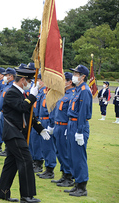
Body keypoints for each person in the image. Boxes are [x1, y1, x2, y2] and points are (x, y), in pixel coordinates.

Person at [0, 68, 50, 202]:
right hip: (13, 133)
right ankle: (26, 196)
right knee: (26, 161)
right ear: (22, 80)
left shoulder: (22, 94)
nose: (30, 83)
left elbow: (29, 114)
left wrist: (40, 129)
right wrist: (32, 96)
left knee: (11, 164)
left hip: (18, 133)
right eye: (29, 80)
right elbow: (22, 107)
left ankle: (3, 193)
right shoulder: (11, 93)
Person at [64, 65, 92, 197]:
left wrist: (80, 131)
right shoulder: (77, 90)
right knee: (72, 156)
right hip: (71, 125)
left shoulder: (85, 91)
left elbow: (83, 113)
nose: (74, 75)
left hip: (78, 125)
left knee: (79, 157)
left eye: (76, 73)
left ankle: (82, 187)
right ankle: (76, 184)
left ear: (83, 76)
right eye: (74, 73)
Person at [50, 72, 75, 187]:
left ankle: (69, 177)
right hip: (58, 125)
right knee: (58, 152)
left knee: (65, 152)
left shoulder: (72, 95)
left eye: (64, 80)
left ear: (70, 82)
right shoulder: (63, 94)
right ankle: (63, 175)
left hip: (64, 126)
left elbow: (71, 113)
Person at [0, 68, 15, 157]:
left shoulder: (12, 86)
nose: (4, 77)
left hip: (8, 113)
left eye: (6, 75)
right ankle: (6, 149)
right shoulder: (7, 85)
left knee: (8, 132)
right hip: (3, 111)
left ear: (11, 76)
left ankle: (8, 150)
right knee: (4, 131)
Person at [30, 74, 45, 173]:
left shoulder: (44, 93)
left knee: (38, 143)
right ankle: (33, 160)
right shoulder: (37, 92)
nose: (37, 81)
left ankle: (39, 163)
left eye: (39, 79)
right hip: (34, 118)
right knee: (32, 141)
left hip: (40, 119)